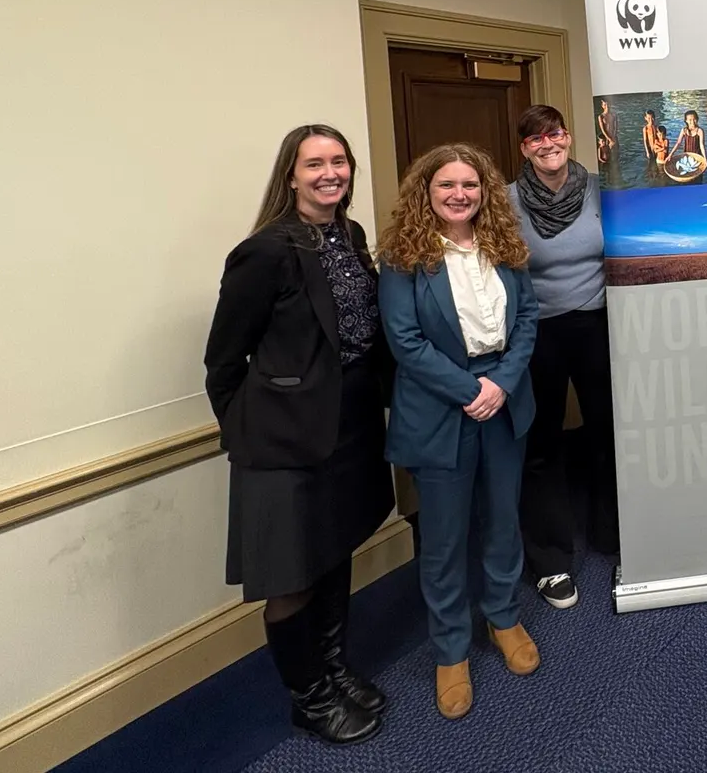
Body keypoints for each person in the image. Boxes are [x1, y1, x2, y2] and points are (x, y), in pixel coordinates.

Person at [203, 124, 394, 745]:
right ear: (291, 175)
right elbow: (224, 361)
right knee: (290, 576)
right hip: (281, 442)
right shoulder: (265, 251)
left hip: (350, 428)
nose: (329, 173)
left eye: (339, 161)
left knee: (332, 554)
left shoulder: (350, 235)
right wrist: (245, 431)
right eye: (315, 164)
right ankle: (309, 698)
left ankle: (333, 670)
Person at [378, 143, 541, 720]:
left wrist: (500, 382)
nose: (458, 194)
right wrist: (471, 389)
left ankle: (502, 617)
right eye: (446, 184)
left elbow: (526, 319)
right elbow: (406, 341)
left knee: (503, 519)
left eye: (469, 185)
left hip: (504, 397)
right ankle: (450, 648)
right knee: (444, 538)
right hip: (443, 407)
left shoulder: (506, 246)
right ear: (427, 191)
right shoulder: (403, 258)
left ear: (485, 192)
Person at [507, 105, 619, 609]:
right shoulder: (506, 201)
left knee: (608, 431)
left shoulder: (601, 188)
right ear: (524, 149)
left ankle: (614, 535)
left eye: (554, 134)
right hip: (535, 332)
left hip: (598, 324)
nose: (547, 144)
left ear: (568, 137)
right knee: (541, 444)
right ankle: (550, 560)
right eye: (535, 139)